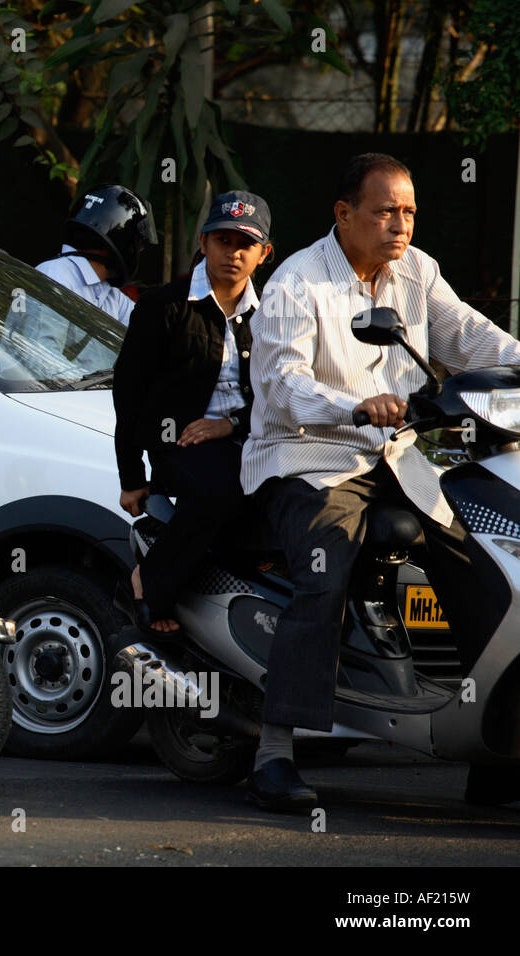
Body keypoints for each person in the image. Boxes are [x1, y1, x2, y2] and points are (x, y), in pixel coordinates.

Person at [242, 153, 520, 811]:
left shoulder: (417, 272)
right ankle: (274, 750)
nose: (401, 225)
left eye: (410, 212)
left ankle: (496, 746)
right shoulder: (297, 282)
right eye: (386, 211)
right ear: (344, 214)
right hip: (309, 457)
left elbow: (474, 341)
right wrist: (353, 405)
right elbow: (281, 385)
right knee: (324, 568)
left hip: (395, 459)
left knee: (481, 562)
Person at [113, 191, 273, 633]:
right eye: (223, 240)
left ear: (264, 253)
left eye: (246, 244)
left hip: (252, 437)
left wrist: (230, 425)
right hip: (179, 444)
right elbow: (128, 392)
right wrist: (132, 477)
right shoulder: (163, 305)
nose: (233, 252)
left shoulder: (273, 315)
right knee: (223, 489)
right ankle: (151, 584)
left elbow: (283, 391)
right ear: (203, 243)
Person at [35, 184, 158, 327]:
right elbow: (46, 347)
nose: (140, 251)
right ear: (122, 241)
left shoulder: (111, 296)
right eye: (139, 245)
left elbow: (148, 330)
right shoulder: (57, 276)